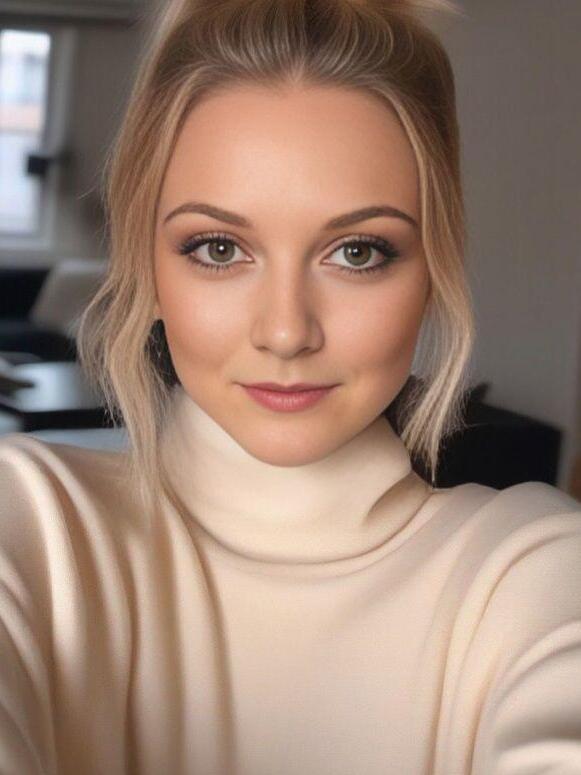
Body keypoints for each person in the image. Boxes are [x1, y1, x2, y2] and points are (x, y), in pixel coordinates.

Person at [1, 0, 580, 772]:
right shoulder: (33, 524)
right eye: (218, 248)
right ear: (148, 263)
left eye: (357, 252)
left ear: (433, 269)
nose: (284, 331)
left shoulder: (533, 570)